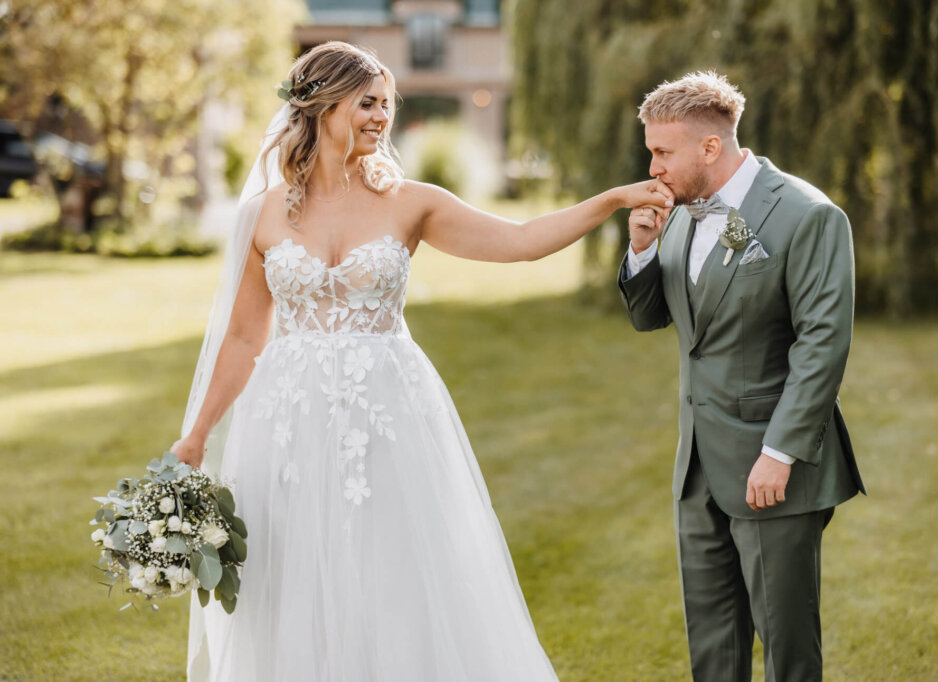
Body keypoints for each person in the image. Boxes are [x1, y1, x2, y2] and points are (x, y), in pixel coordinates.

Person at [170, 41, 672, 681]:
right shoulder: (262, 216)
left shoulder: (412, 202)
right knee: (292, 569)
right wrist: (197, 434)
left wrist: (610, 202)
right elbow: (244, 338)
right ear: (321, 105)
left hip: (387, 411)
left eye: (387, 103)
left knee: (393, 565)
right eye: (368, 102)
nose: (382, 116)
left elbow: (519, 243)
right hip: (287, 419)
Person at [618, 71, 866, 682]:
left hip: (771, 469)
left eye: (661, 152)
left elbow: (823, 344)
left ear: (710, 147)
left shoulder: (808, 216)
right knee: (713, 649)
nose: (652, 167)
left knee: (788, 652)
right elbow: (652, 318)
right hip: (696, 466)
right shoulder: (677, 210)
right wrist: (643, 249)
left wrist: (779, 452)